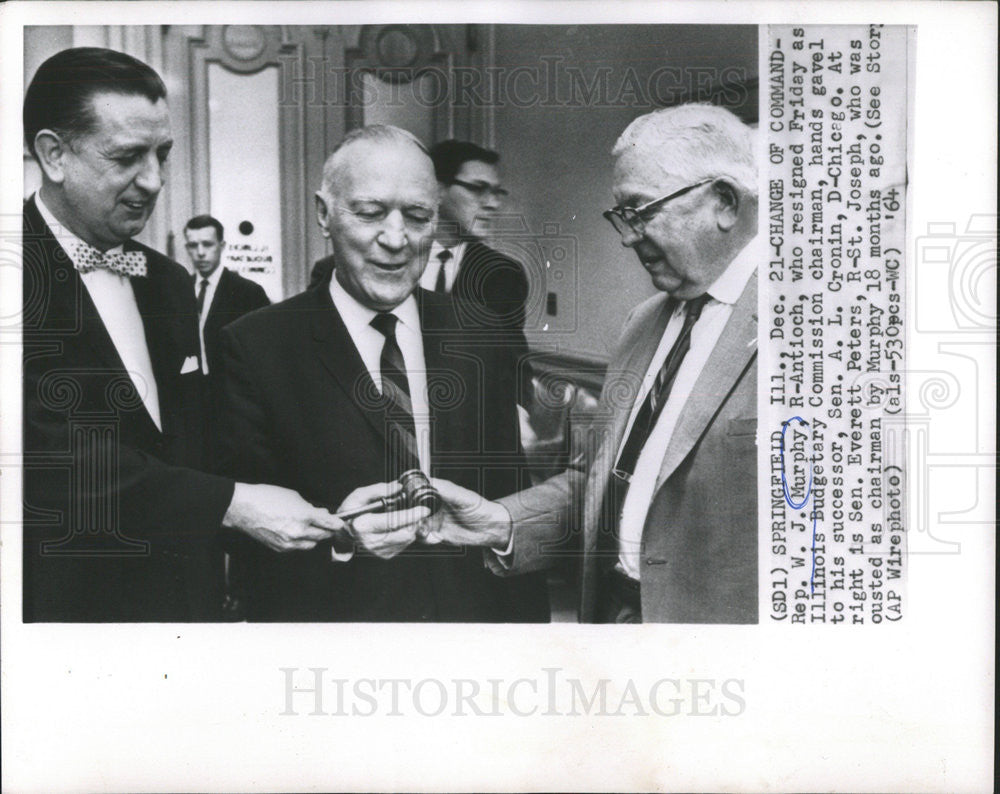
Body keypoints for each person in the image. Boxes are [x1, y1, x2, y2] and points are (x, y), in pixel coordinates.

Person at [405, 103, 760, 624]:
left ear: (723, 202)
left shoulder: (814, 331)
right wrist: (503, 522)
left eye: (641, 212)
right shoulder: (643, 323)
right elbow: (596, 479)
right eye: (622, 215)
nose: (628, 237)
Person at [22, 47, 342, 622]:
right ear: (53, 155)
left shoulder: (167, 279)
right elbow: (43, 457)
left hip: (185, 608)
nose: (155, 180)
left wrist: (332, 497)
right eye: (127, 157)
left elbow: (199, 439)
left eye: (163, 154)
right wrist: (232, 505)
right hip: (64, 616)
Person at [217, 125, 548, 622]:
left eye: (417, 216)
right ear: (324, 215)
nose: (396, 239)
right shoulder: (256, 347)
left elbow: (509, 502)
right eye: (370, 213)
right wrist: (342, 542)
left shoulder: (481, 335)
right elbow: (243, 541)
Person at [308, 139, 533, 407]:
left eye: (497, 192)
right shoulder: (334, 270)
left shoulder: (503, 275)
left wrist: (519, 417)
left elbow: (512, 365)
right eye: (477, 189)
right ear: (435, 190)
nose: (492, 204)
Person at [183, 214, 269, 380]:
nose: (200, 253)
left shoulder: (248, 292)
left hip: (232, 392)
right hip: (190, 391)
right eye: (193, 245)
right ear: (187, 248)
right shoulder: (180, 288)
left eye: (207, 244)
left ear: (221, 246)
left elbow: (261, 351)